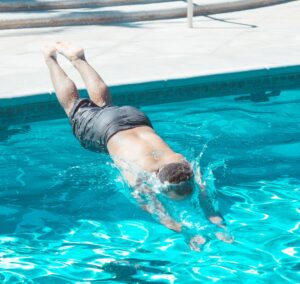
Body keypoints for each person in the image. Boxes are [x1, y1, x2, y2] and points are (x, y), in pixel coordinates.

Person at [43, 42, 232, 251]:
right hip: (108, 128)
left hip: (134, 117)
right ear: (161, 185)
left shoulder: (180, 164)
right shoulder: (141, 175)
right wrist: (187, 232)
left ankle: (79, 59)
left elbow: (206, 202)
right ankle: (50, 59)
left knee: (105, 105)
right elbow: (157, 212)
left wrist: (219, 225)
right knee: (73, 106)